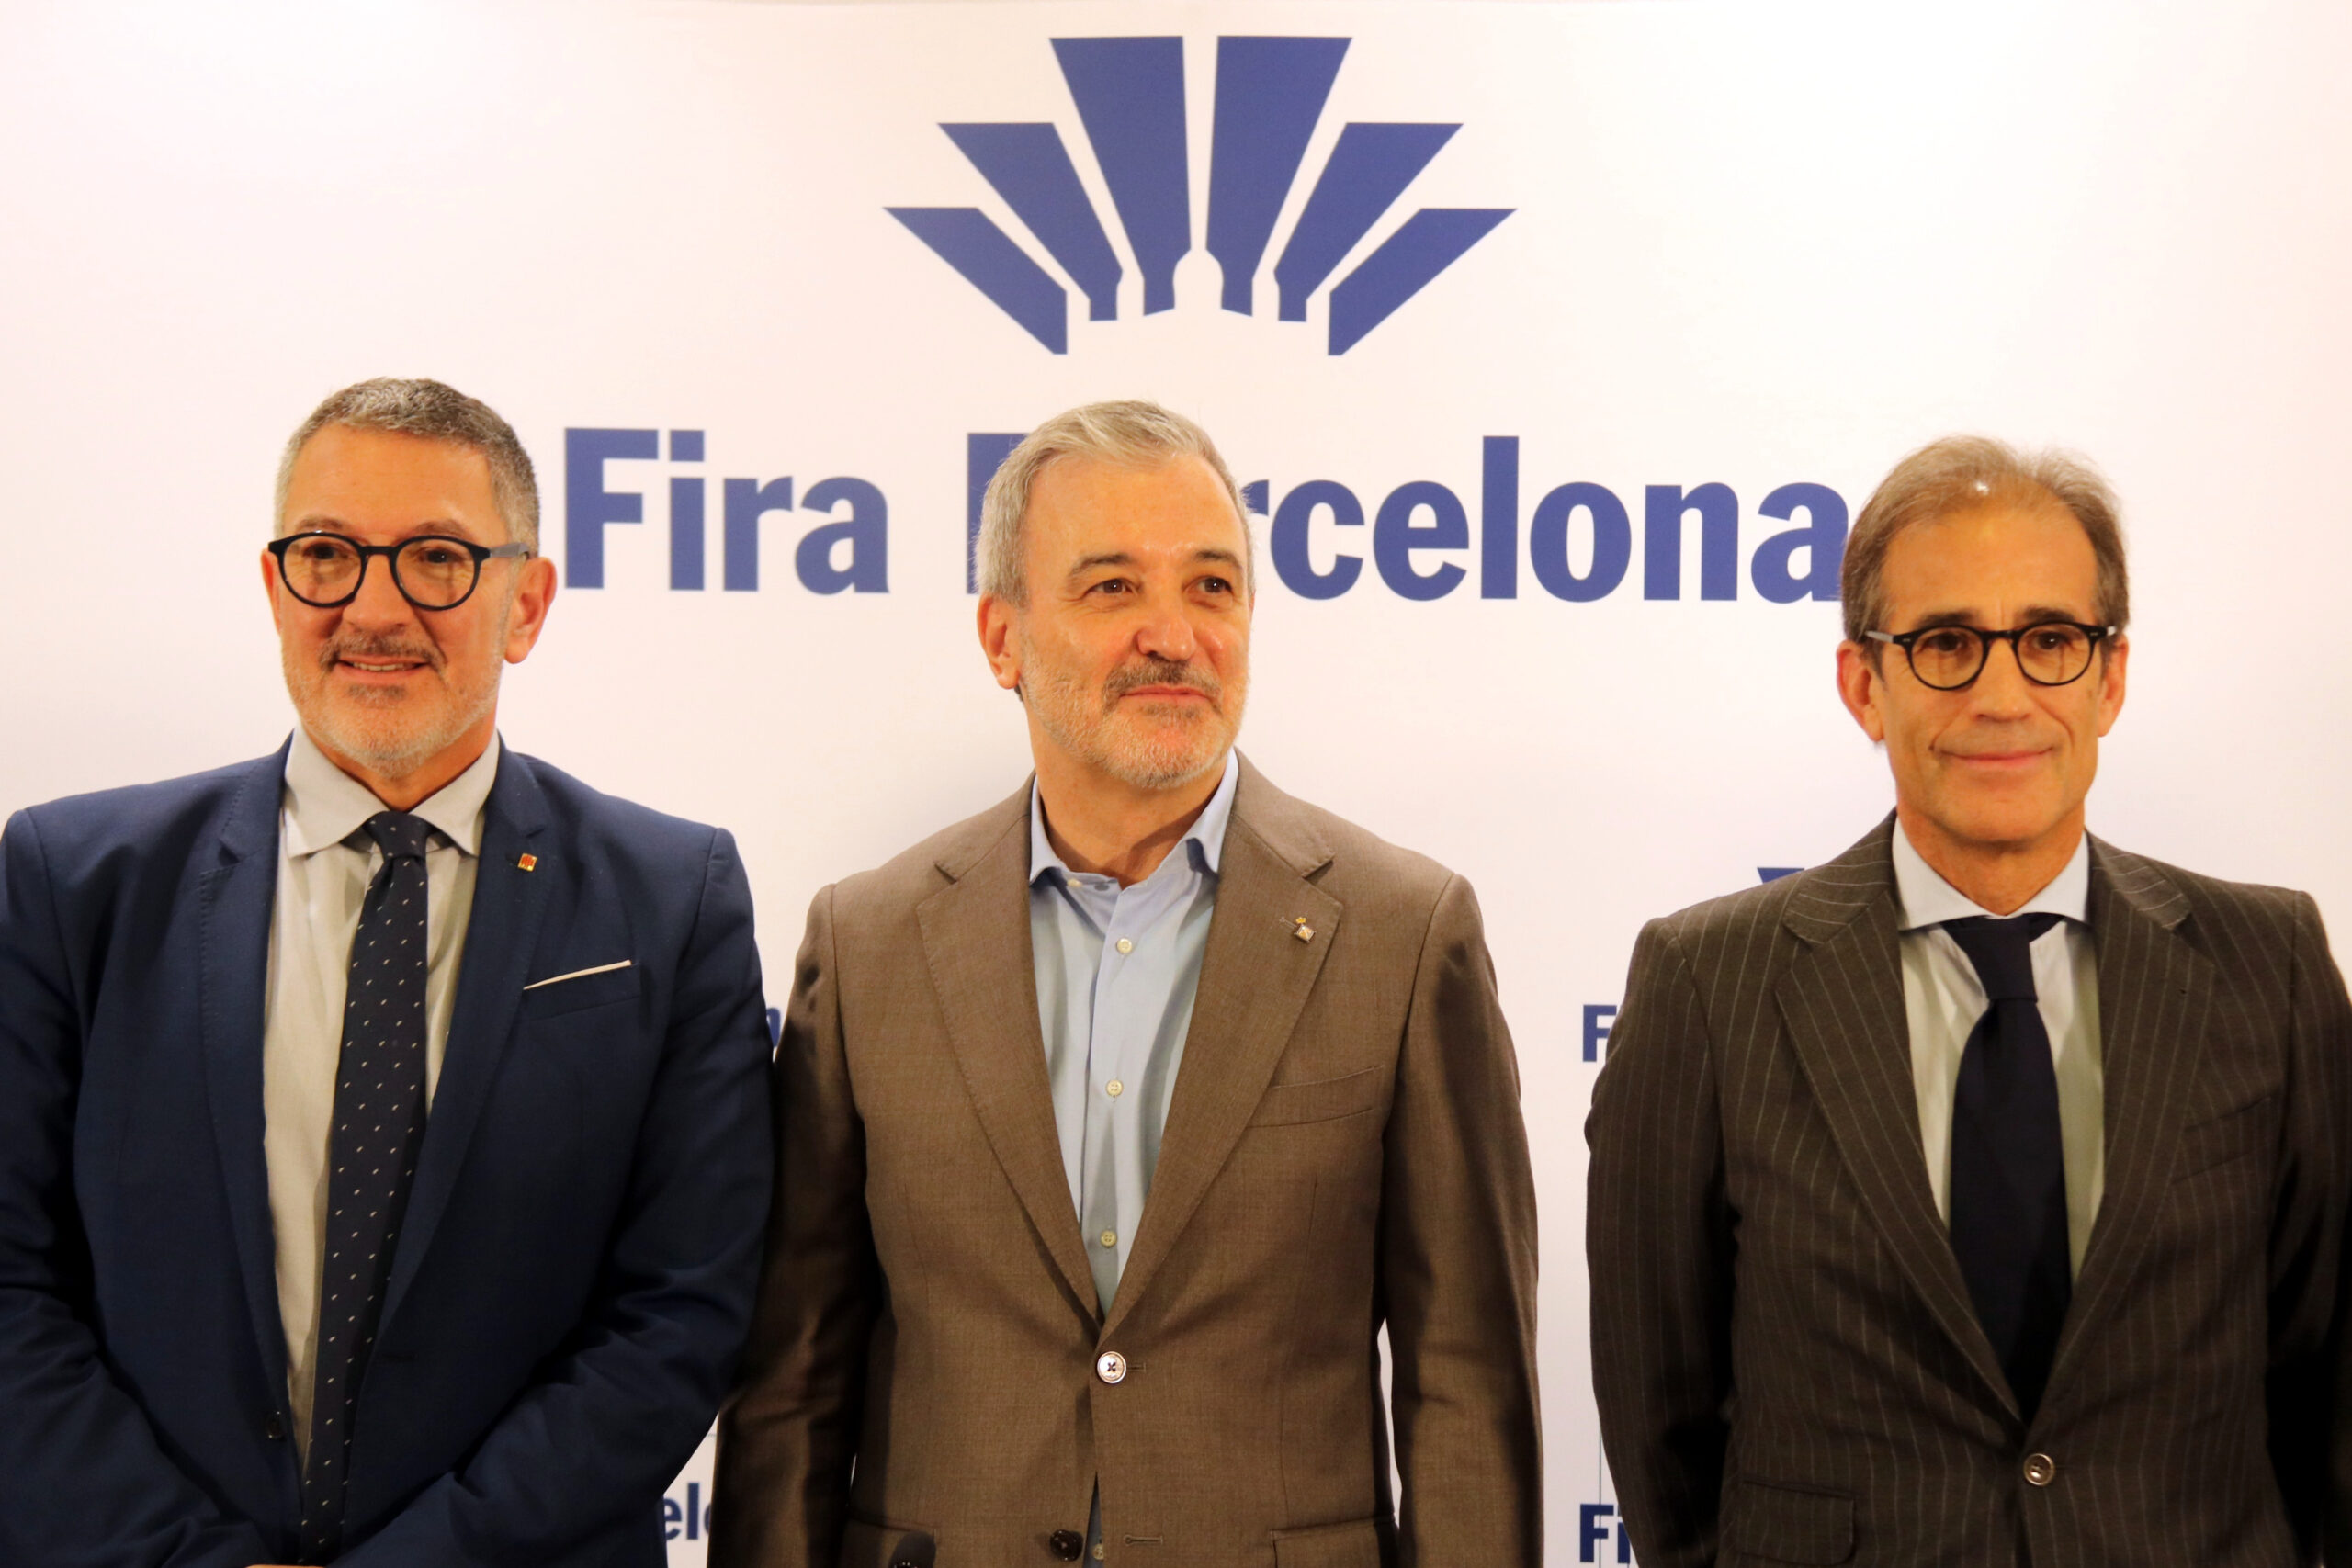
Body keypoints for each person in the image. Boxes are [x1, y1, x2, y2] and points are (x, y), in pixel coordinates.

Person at [712, 400, 1541, 1568]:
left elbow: (1466, 1383)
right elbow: (793, 1383)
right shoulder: (869, 944)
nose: (1175, 634)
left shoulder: (1404, 934)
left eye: (1212, 587)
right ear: (1002, 637)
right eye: (1112, 587)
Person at [0, 378, 774, 1567]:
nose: (372, 607)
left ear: (526, 604)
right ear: (275, 589)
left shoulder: (673, 899)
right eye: (327, 554)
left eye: (435, 559)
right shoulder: (73, 880)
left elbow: (681, 1309)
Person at [1588, 435, 2352, 1566]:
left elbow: (2326, 1379)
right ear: (1864, 685)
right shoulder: (1705, 983)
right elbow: (1661, 1418)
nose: (2002, 696)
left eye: (2049, 641)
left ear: (2109, 678)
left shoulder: (2269, 964)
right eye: (1946, 643)